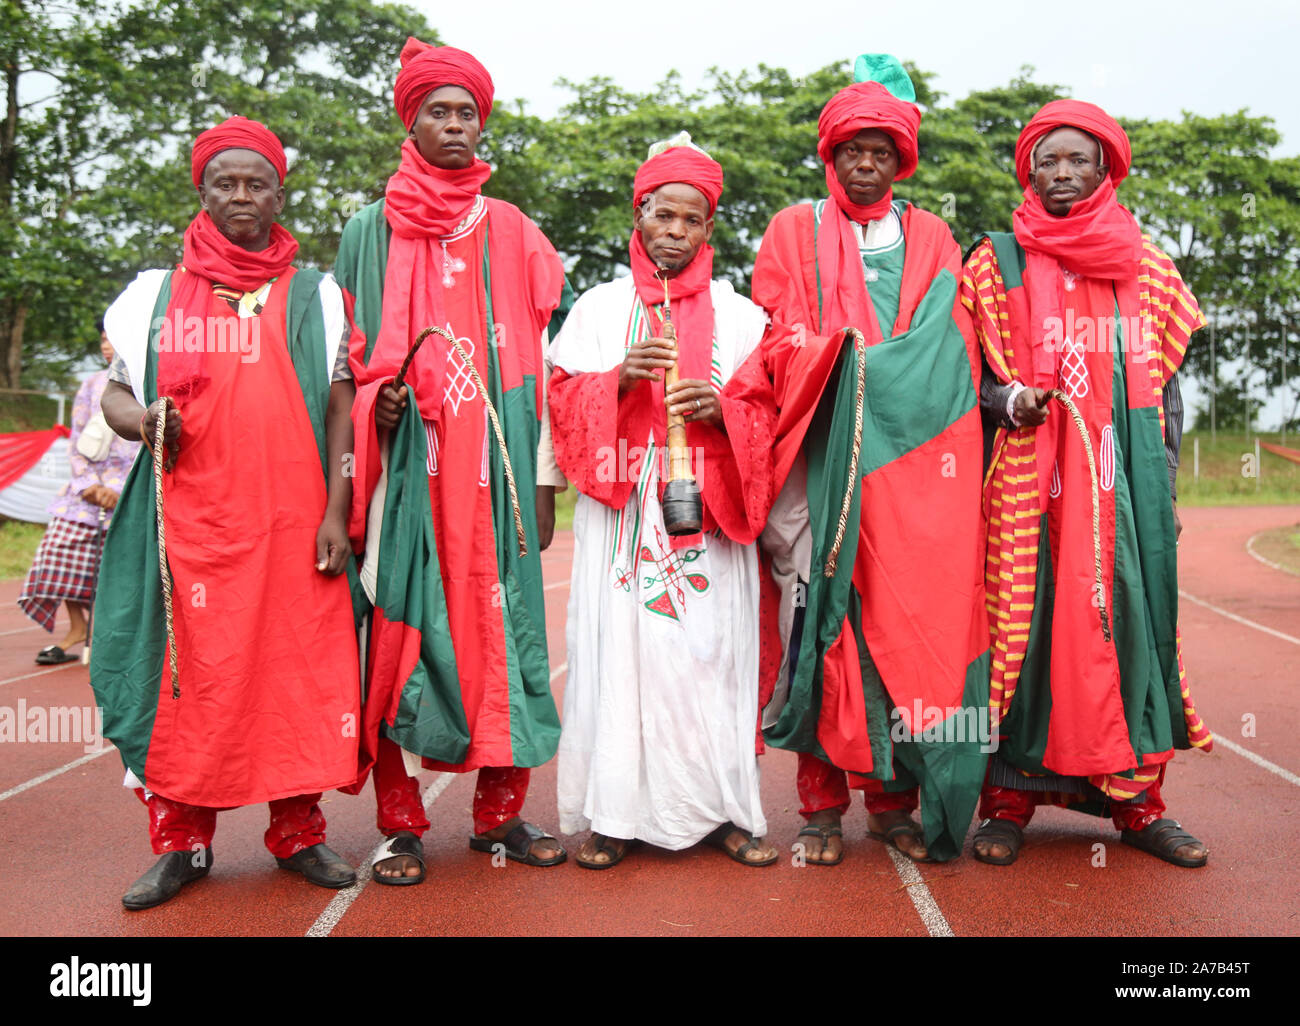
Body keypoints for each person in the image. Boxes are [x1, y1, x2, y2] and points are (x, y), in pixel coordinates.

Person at [93, 116, 362, 908]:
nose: (242, 196)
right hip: (185, 524)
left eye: (257, 183)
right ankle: (182, 845)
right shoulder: (150, 296)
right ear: (201, 189)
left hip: (293, 519)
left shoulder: (317, 295)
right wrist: (140, 422)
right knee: (187, 684)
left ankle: (298, 835)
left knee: (296, 678)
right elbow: (112, 391)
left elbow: (342, 408)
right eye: (226, 182)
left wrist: (338, 512)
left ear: (280, 192)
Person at [335, 39, 569, 884]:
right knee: (399, 640)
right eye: (439, 110)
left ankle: (500, 817)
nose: (456, 125)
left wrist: (544, 482)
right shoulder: (369, 229)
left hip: (497, 478)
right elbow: (348, 363)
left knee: (510, 637)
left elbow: (543, 365)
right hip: (407, 477)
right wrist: (378, 405)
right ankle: (400, 826)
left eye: (468, 112)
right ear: (411, 119)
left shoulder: (512, 228)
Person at [745, 55, 990, 866]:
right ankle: (819, 808)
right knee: (819, 623)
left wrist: (868, 372)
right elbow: (776, 336)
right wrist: (839, 362)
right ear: (831, 154)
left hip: (914, 471)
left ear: (901, 161)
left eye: (883, 151)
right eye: (853, 148)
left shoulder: (932, 236)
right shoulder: (791, 230)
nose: (866, 163)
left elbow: (946, 347)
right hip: (817, 463)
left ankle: (891, 802)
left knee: (904, 628)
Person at [959, 100, 1212, 868]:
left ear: (1106, 170)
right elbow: (962, 385)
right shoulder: (994, 262)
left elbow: (1164, 397)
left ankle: (1138, 808)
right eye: (1048, 160)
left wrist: (1159, 496)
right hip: (1021, 493)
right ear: (1027, 170)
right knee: (1021, 640)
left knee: (1128, 634)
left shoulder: (1151, 270)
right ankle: (1007, 804)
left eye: (1079, 160)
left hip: (1120, 493)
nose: (1062, 173)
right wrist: (1008, 402)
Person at [549, 134, 778, 869]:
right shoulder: (598, 307)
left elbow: (769, 413)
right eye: (662, 216)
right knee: (622, 658)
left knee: (710, 659)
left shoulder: (740, 316)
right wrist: (615, 380)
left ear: (709, 229)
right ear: (639, 216)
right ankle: (615, 815)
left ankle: (724, 810)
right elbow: (558, 403)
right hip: (624, 514)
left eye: (692, 219)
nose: (675, 232)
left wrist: (722, 411)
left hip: (707, 518)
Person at [20, 327, 139, 664]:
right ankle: (76, 628)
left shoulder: (148, 384)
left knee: (126, 570)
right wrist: (89, 485)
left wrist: (118, 490)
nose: (106, 345)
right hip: (86, 492)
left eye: (112, 339)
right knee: (56, 555)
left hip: (128, 493)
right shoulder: (89, 386)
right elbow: (76, 440)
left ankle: (115, 638)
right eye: (102, 339)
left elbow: (147, 443)